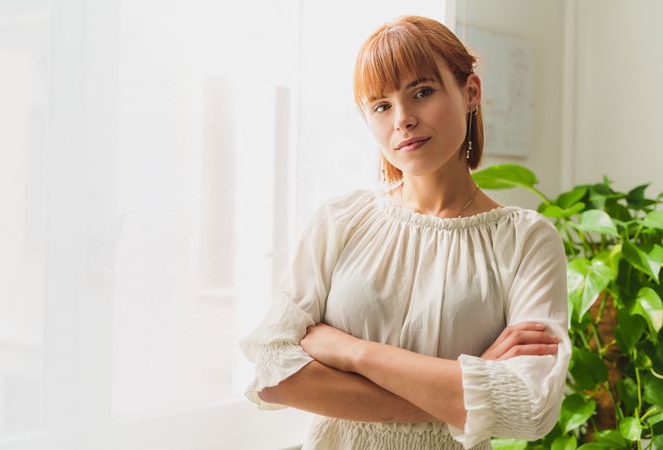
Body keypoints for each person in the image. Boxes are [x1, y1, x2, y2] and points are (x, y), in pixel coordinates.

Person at [239, 14, 570, 450]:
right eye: (381, 105)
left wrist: (350, 352)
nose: (403, 120)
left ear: (470, 92)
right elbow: (274, 376)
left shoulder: (526, 240)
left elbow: (528, 408)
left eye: (423, 92)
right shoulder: (342, 220)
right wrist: (461, 389)